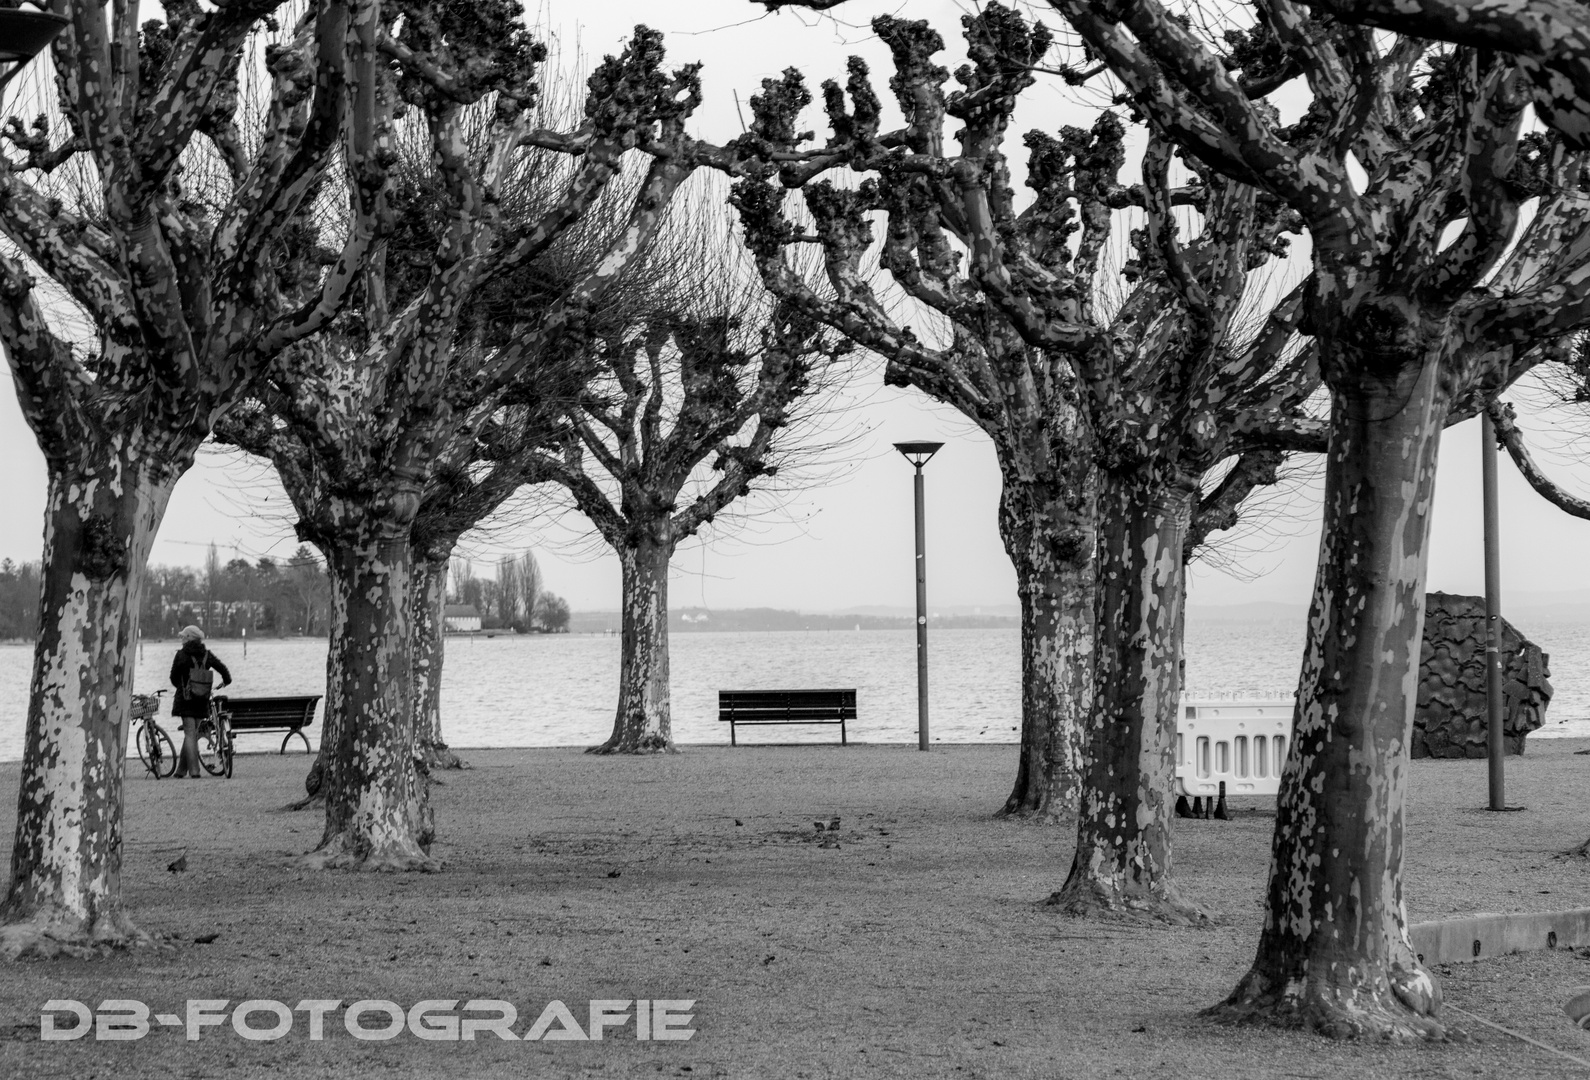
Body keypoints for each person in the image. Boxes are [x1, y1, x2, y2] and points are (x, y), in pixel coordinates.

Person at [170, 625, 232, 778]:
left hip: (185, 700)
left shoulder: (181, 655)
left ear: (190, 638)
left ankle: (194, 771)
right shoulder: (207, 655)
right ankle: (180, 771)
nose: (182, 639)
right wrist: (225, 682)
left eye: (183, 637)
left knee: (190, 734)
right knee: (191, 733)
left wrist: (182, 686)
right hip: (202, 700)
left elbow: (173, 677)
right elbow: (224, 670)